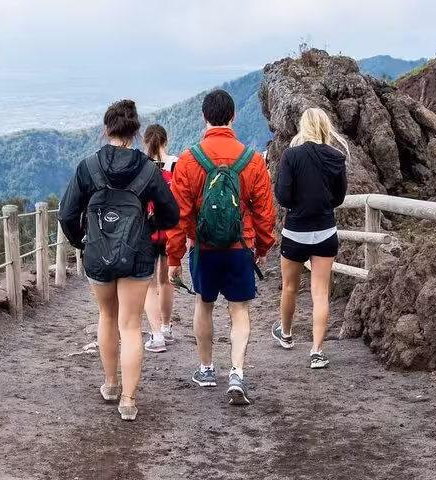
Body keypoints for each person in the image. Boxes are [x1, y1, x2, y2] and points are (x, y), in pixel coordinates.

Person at [59, 100, 179, 421]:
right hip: (137, 255)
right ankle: (128, 400)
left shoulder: (88, 167)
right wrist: (150, 225)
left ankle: (111, 384)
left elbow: (67, 213)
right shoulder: (148, 169)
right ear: (136, 132)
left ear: (106, 130)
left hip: (97, 254)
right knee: (131, 324)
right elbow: (172, 214)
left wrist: (80, 241)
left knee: (106, 316)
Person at [167, 89, 275, 405]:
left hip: (204, 248)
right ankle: (237, 372)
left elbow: (179, 215)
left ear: (204, 117)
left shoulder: (188, 160)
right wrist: (264, 247)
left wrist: (175, 257)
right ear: (233, 116)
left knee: (204, 304)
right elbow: (265, 211)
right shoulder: (253, 161)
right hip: (242, 246)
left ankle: (206, 369)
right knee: (239, 310)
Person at [272, 107, 348, 369]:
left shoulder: (291, 156)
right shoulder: (336, 157)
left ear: (303, 127)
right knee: (320, 292)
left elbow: (282, 196)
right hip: (326, 231)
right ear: (326, 127)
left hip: (295, 231)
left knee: (290, 286)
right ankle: (317, 351)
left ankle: (286, 333)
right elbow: (339, 198)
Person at [143, 124, 176, 353]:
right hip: (170, 231)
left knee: (149, 284)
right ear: (166, 140)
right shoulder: (176, 164)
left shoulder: (142, 167)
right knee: (166, 280)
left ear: (146, 142)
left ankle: (156, 335)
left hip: (147, 231)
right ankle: (166, 327)